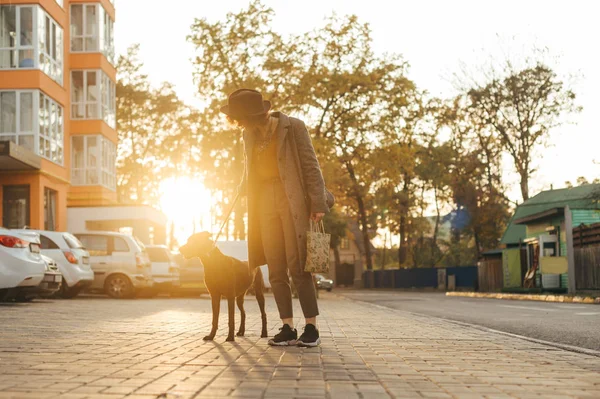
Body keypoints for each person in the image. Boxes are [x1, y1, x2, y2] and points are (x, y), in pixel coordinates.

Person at [221, 88, 330, 347]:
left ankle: (311, 327)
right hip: (263, 204)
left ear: (256, 115)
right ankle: (287, 326)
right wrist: (240, 191)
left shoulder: (293, 128)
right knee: (275, 266)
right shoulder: (248, 134)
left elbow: (311, 165)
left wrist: (318, 202)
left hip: (290, 198)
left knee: (299, 264)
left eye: (243, 120)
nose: (241, 125)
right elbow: (250, 171)